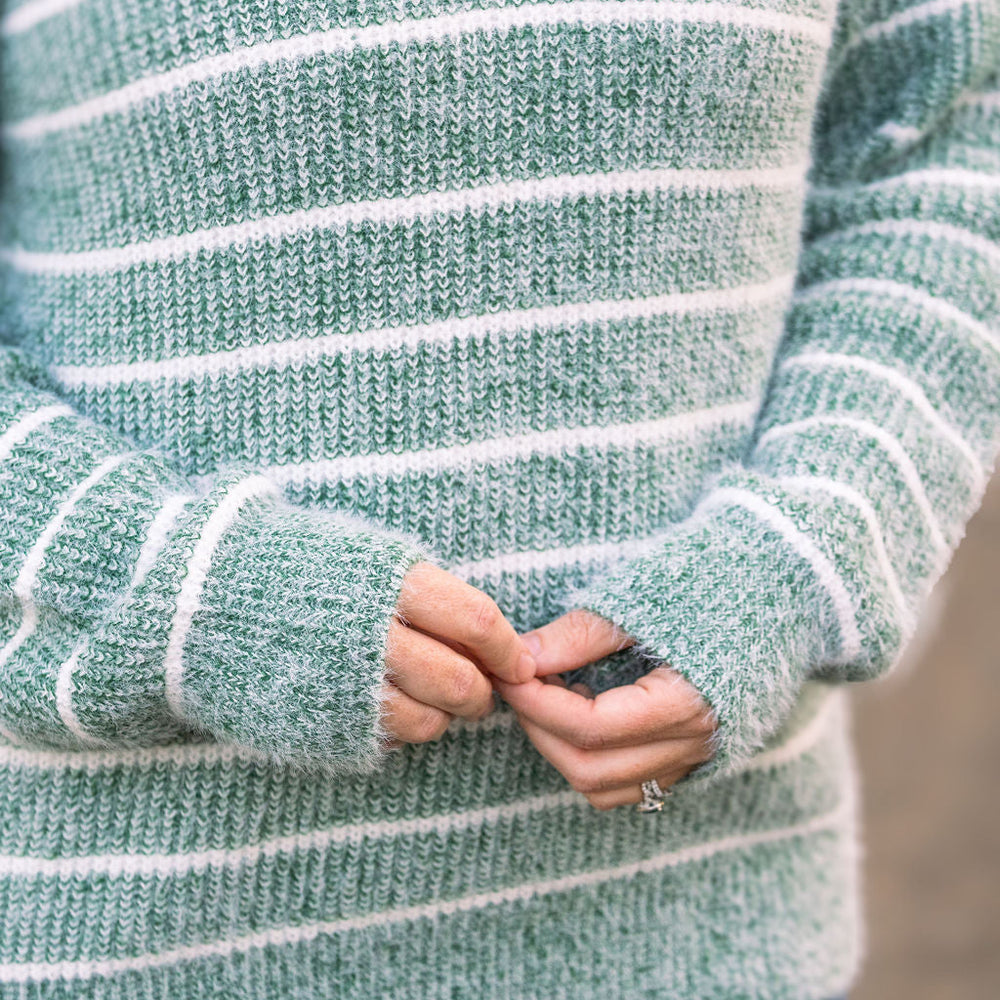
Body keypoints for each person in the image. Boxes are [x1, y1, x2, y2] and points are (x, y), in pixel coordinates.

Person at [0, 0, 996, 995]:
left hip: (696, 924)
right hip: (146, 933)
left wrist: (794, 557)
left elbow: (939, 155)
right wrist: (172, 590)